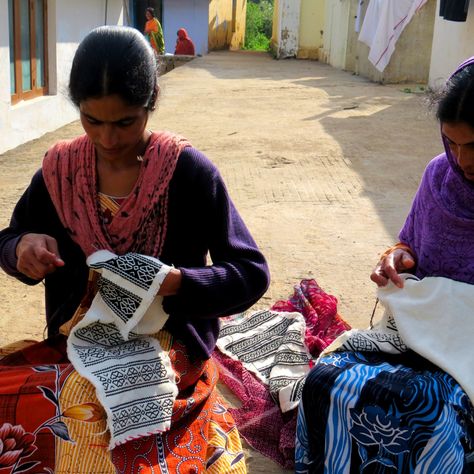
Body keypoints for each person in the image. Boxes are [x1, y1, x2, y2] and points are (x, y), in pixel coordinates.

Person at [0, 25, 269, 473]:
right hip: (78, 341)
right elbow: (8, 240)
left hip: (170, 347)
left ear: (152, 101)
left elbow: (250, 271)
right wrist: (22, 249)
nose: (108, 140)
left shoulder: (189, 173)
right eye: (92, 121)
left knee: (90, 408)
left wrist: (178, 282)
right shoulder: (60, 173)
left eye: (125, 121)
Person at [295, 57, 474, 473]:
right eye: (453, 142)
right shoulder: (438, 177)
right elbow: (410, 243)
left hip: (466, 353)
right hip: (416, 334)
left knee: (429, 414)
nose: (463, 160)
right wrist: (397, 258)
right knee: (323, 380)